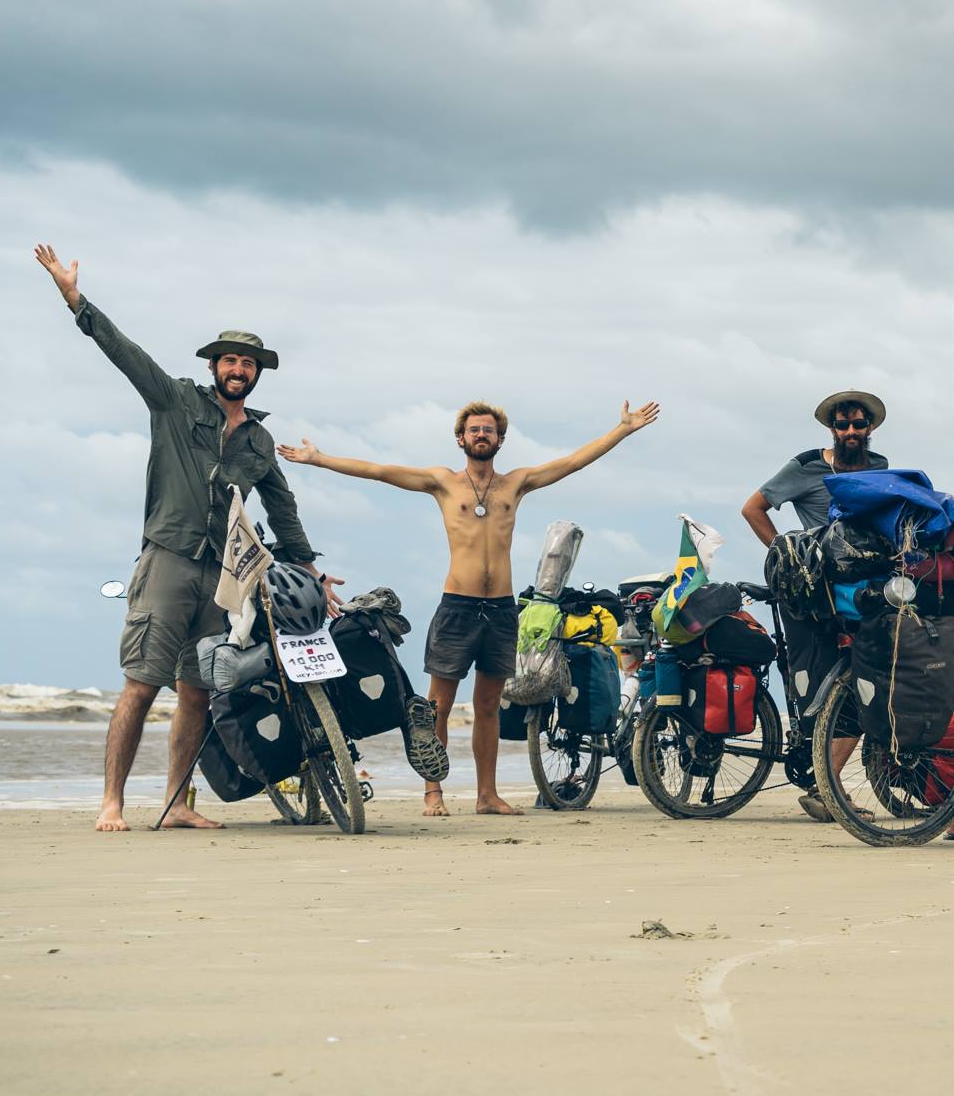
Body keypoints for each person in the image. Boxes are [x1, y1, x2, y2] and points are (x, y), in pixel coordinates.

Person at [33, 244, 345, 833]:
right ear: (214, 368)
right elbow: (126, 356)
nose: (238, 370)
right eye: (230, 360)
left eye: (248, 365)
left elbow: (284, 508)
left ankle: (176, 804)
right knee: (142, 684)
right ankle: (112, 802)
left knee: (199, 691)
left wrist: (307, 568)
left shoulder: (258, 442)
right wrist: (75, 299)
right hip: (168, 561)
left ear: (256, 375)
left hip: (221, 575)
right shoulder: (175, 401)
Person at [279, 398, 659, 816]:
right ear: (461, 438)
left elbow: (571, 463)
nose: (481, 435)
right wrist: (319, 459)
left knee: (488, 707)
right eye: (474, 430)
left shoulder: (516, 483)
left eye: (489, 430)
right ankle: (433, 792)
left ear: (500, 439)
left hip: (500, 610)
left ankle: (486, 795)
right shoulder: (443, 483)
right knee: (437, 704)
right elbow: (381, 471)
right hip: (457, 607)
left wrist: (622, 430)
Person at [742, 389, 898, 822]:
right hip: (811, 593)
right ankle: (824, 784)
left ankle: (824, 780)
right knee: (820, 683)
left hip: (860, 589)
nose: (851, 431)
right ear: (832, 428)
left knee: (859, 674)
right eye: (842, 424)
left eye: (858, 424)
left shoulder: (880, 468)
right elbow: (753, 507)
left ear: (870, 428)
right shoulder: (807, 465)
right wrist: (786, 551)